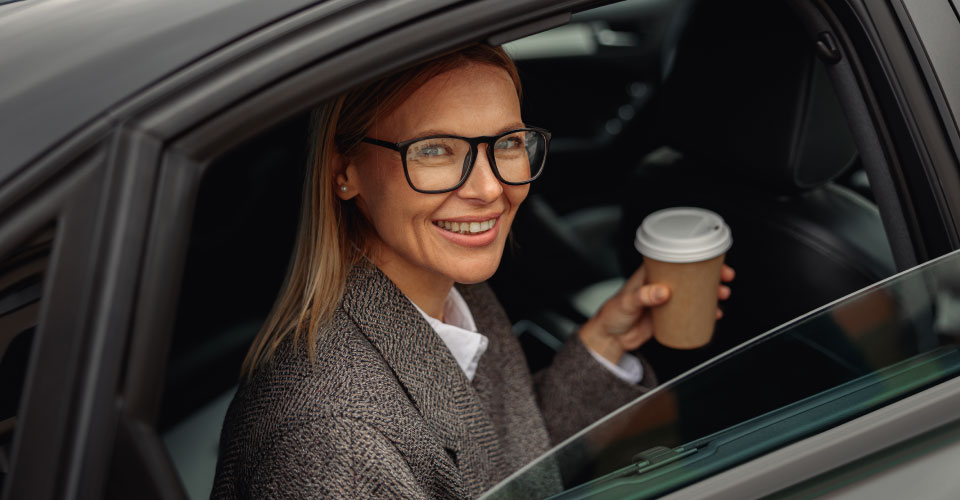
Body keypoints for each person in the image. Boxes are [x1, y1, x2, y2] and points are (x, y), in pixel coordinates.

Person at [211, 44, 734, 499]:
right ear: (344, 173)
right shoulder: (335, 443)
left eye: (507, 143)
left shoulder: (455, 296)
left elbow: (495, 468)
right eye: (435, 150)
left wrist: (605, 342)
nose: (489, 188)